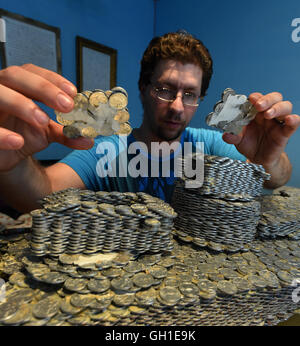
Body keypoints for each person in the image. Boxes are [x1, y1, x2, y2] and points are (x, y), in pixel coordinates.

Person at [0, 31, 299, 212]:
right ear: (143, 88)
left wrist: (267, 160)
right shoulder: (107, 150)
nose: (178, 107)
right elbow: (43, 195)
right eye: (165, 90)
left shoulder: (211, 146)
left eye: (191, 94)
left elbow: (276, 178)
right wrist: (14, 164)